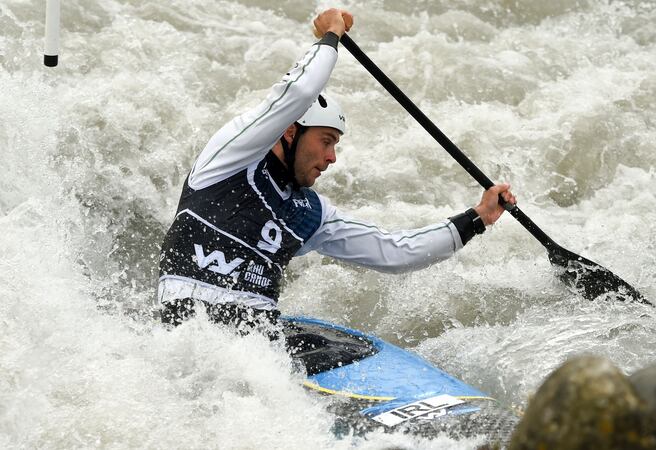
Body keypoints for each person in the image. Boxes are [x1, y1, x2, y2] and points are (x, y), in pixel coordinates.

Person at [157, 8, 516, 333]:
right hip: (190, 326)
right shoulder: (232, 158)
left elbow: (396, 253)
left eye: (335, 146)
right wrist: (330, 37)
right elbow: (297, 92)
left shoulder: (311, 214)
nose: (332, 158)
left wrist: (478, 217)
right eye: (326, 141)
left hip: (259, 336)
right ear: (290, 131)